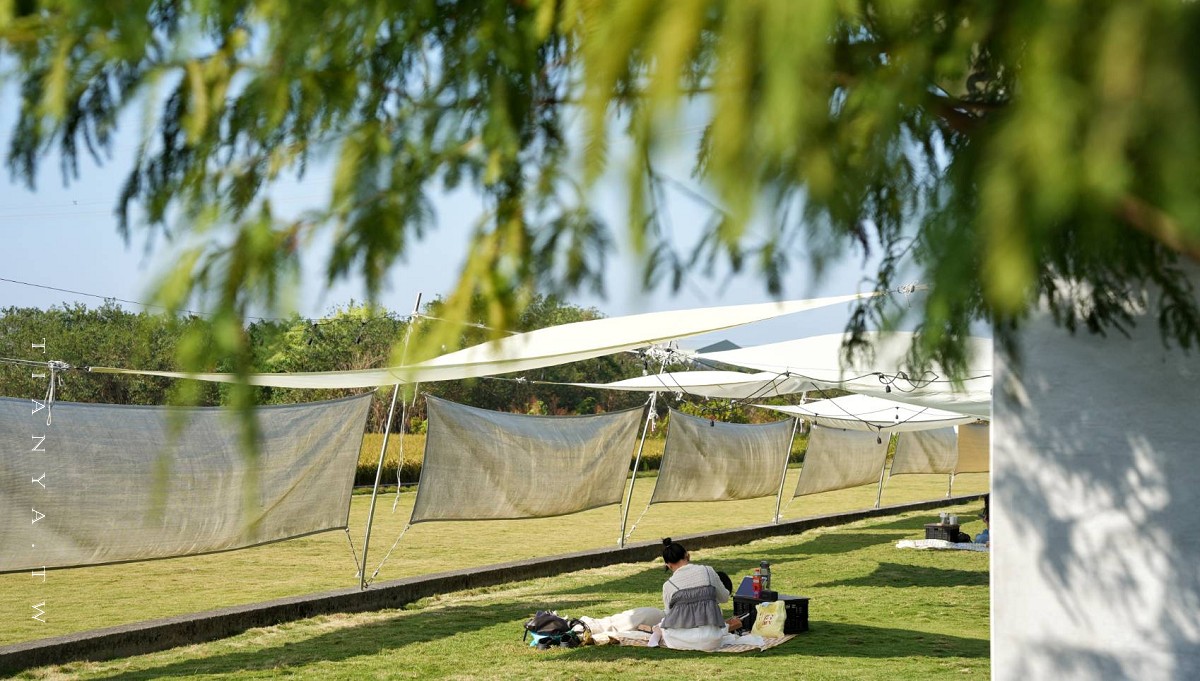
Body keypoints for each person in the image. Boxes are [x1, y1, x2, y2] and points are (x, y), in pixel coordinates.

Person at [651, 538, 744, 651]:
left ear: (668, 565)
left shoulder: (668, 585)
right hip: (713, 640)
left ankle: (653, 640)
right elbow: (724, 598)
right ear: (687, 555)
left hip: (680, 641)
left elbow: (669, 615)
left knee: (662, 624)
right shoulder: (708, 571)